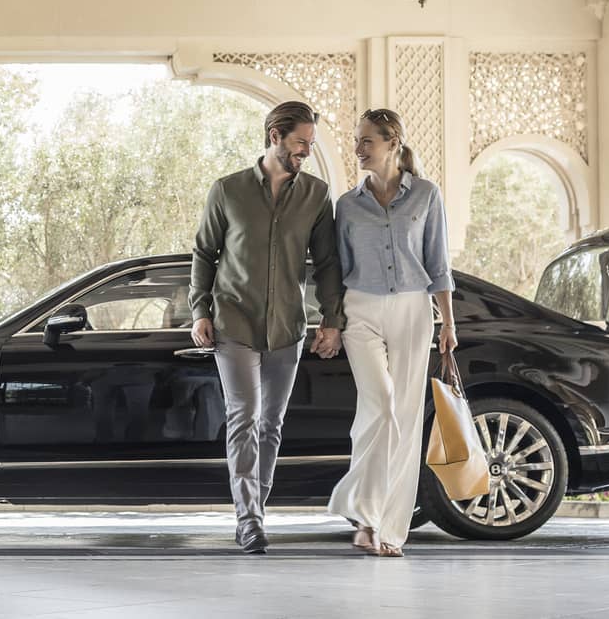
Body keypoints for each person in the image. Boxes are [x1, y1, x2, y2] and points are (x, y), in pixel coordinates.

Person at [189, 101, 345, 555]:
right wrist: (200, 310)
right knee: (244, 418)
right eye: (300, 143)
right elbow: (204, 253)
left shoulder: (316, 195)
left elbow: (328, 263)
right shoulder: (228, 190)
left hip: (287, 328)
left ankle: (257, 508)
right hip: (234, 322)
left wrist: (331, 320)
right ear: (275, 135)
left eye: (310, 145)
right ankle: (249, 519)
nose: (306, 153)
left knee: (271, 425)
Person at [325, 108, 455, 558]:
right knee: (379, 408)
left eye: (366, 141)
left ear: (392, 142)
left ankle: (385, 527)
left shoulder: (426, 195)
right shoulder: (347, 204)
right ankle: (361, 508)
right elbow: (337, 269)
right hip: (359, 308)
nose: (358, 148)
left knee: (403, 418)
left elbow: (438, 265)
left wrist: (448, 324)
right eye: (357, 140)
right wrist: (332, 321)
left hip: (413, 310)